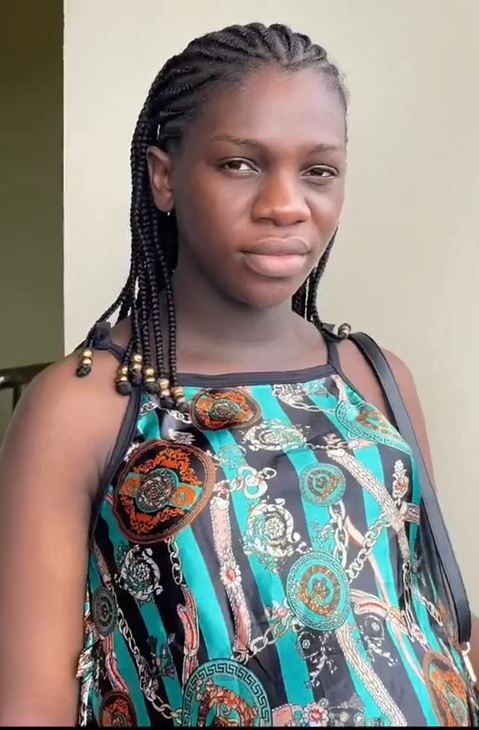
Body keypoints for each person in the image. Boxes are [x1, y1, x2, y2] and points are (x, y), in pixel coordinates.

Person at [0, 21, 477, 727]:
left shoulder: (375, 377)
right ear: (164, 177)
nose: (285, 204)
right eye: (240, 164)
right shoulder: (86, 405)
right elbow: (29, 704)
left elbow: (433, 617)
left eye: (318, 171)